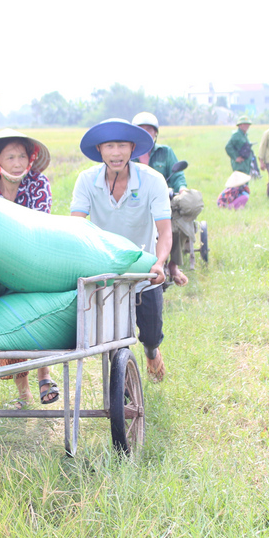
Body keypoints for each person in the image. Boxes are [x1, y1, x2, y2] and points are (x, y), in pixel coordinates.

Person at [70, 118, 171, 381]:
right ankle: (122, 391)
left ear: (133, 148)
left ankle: (151, 352)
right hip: (107, 271)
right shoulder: (86, 180)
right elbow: (76, 226)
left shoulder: (152, 180)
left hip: (145, 272)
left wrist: (159, 263)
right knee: (114, 341)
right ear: (99, 149)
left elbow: (165, 230)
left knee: (151, 335)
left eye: (122, 145)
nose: (116, 153)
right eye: (109, 146)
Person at [0, 129, 59, 406]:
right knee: (10, 322)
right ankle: (23, 393)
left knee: (37, 313)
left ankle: (44, 374)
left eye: (22, 156)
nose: (18, 163)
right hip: (0, 264)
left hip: (35, 259)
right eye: (10, 157)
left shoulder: (38, 184)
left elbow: (39, 224)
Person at [131, 112, 190, 286]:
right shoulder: (128, 154)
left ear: (155, 133)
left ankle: (173, 265)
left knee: (175, 225)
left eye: (149, 130)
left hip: (164, 200)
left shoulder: (165, 152)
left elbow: (177, 175)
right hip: (135, 201)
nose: (145, 133)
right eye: (140, 130)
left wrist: (182, 188)